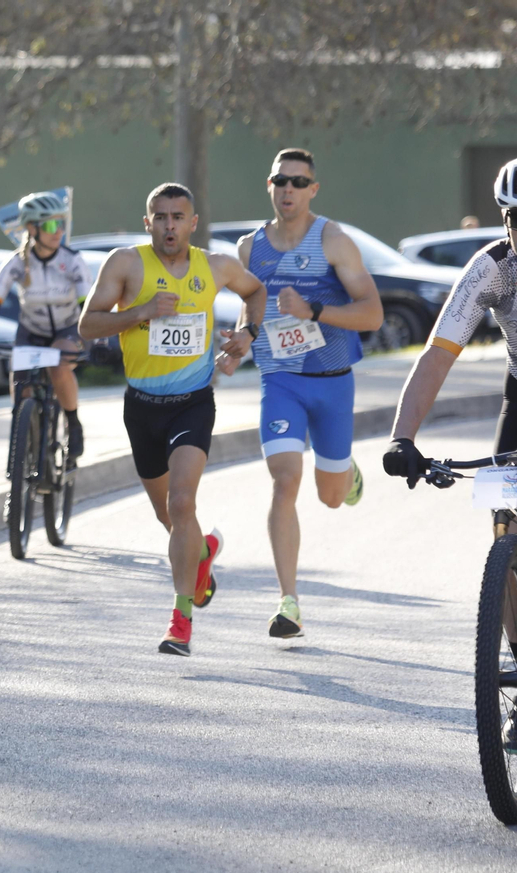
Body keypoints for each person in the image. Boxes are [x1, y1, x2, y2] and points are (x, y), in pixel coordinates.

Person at [79, 183, 266, 656]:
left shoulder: (216, 265)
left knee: (183, 503)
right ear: (148, 223)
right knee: (170, 516)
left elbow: (256, 291)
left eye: (177, 217)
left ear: (192, 222)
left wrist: (248, 333)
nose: (169, 226)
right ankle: (201, 554)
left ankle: (180, 620)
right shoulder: (125, 263)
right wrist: (139, 312)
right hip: (142, 408)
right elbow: (88, 325)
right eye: (160, 217)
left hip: (192, 403)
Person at [216, 148, 382, 640]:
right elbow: (250, 313)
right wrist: (240, 343)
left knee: (330, 498)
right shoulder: (250, 249)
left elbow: (371, 314)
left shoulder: (333, 240)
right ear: (269, 186)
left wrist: (315, 309)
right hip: (281, 382)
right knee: (285, 480)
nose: (287, 189)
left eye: (297, 181)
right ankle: (288, 601)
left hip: (332, 384)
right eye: (279, 181)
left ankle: (345, 472)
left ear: (313, 189)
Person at [385, 159, 517, 531]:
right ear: (506, 222)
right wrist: (402, 438)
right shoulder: (492, 268)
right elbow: (438, 355)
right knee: (505, 510)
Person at [0, 191, 93, 458]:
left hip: (67, 328)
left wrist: (99, 339)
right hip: (31, 332)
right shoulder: (18, 262)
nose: (59, 232)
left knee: (58, 366)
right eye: (51, 225)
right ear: (32, 228)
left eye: (62, 224)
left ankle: (73, 422)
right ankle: (24, 444)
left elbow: (86, 304)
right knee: (21, 386)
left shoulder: (72, 261)